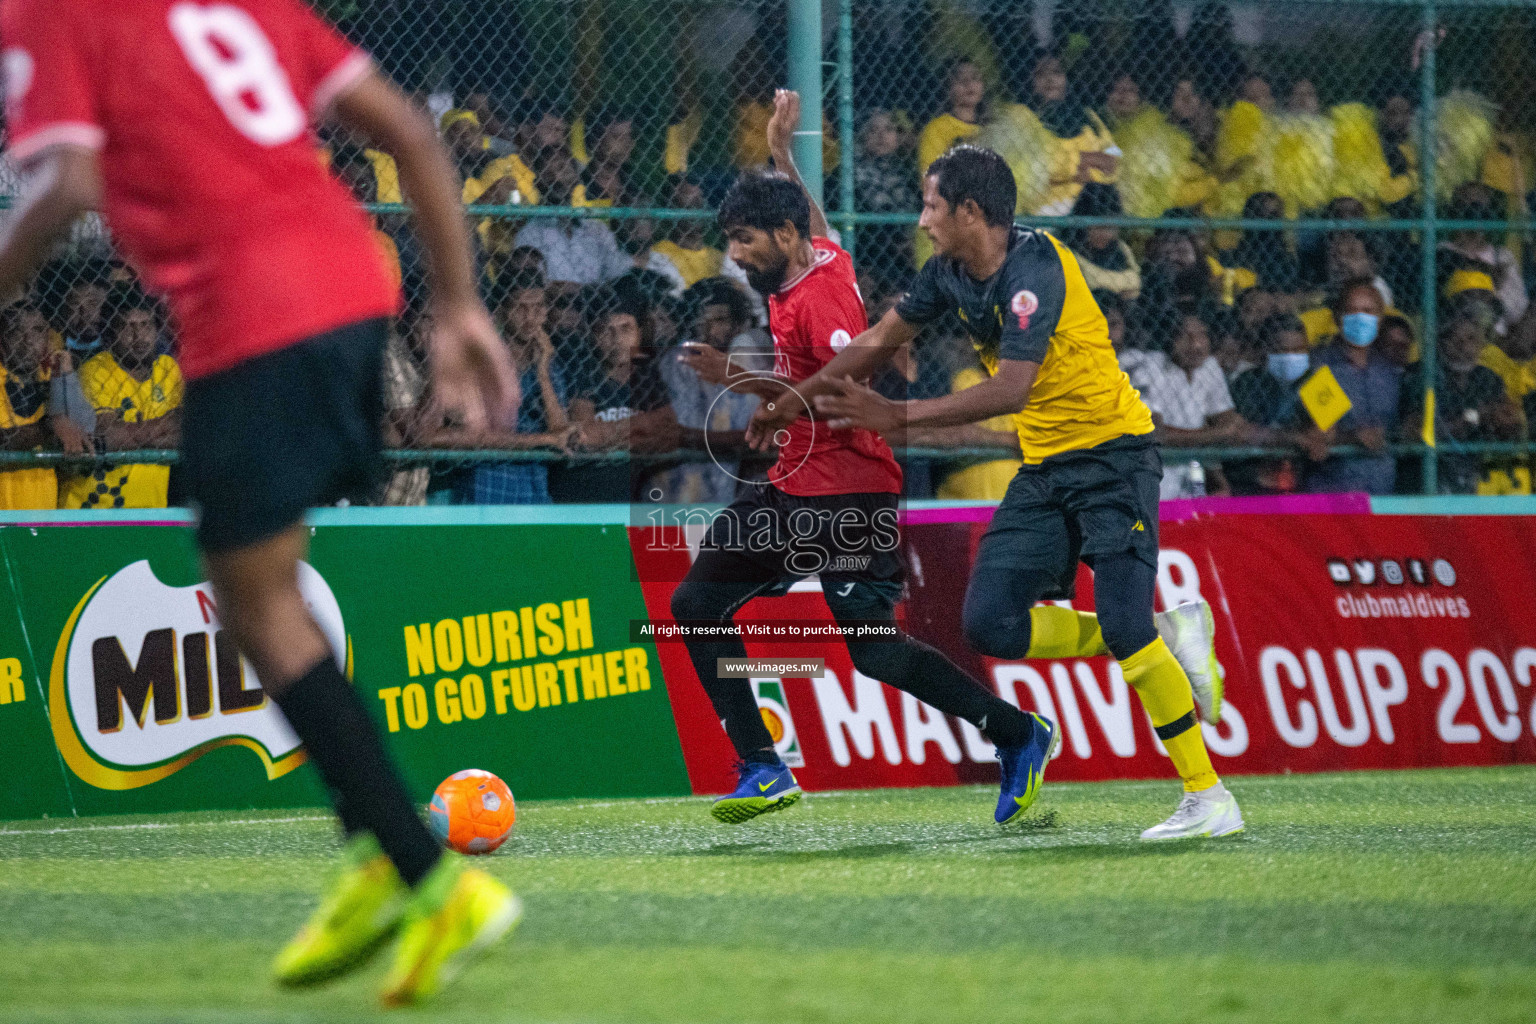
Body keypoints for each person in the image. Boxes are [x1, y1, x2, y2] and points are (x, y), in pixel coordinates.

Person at [0, 0, 521, 1003]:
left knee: (259, 605)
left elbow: (64, 182)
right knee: (258, 594)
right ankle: (388, 854)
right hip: (348, 294)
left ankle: (418, 872)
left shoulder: (51, 13)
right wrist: (456, 302)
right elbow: (411, 131)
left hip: (254, 317)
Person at [762, 143, 1242, 840]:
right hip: (1046, 468)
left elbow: (1010, 387)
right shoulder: (948, 273)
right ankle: (1169, 635)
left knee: (1125, 626)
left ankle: (1209, 797)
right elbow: (875, 341)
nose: (922, 219)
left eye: (932, 205)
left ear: (970, 212)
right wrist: (790, 403)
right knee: (991, 625)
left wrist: (896, 418)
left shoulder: (1035, 268)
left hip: (1114, 458)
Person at [674, 92, 1054, 829]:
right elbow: (815, 225)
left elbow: (849, 391)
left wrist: (741, 381)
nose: (736, 254)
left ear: (781, 236)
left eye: (747, 238)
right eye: (733, 240)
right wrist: (783, 156)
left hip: (848, 494)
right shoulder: (811, 256)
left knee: (875, 652)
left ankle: (1016, 735)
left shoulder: (822, 303)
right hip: (790, 487)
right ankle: (762, 765)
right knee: (694, 605)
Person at [446, 274, 574, 504]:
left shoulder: (550, 367)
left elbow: (560, 430)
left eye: (537, 308)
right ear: (503, 312)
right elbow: (479, 435)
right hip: (486, 485)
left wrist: (542, 372)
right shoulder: (483, 365)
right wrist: (543, 439)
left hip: (533, 487)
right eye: (520, 308)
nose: (530, 317)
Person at [59, 293, 182, 508]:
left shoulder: (168, 369)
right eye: (127, 327)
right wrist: (161, 429)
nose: (139, 336)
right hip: (93, 510)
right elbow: (105, 437)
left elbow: (185, 429)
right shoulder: (96, 370)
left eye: (145, 325)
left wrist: (131, 432)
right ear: (110, 335)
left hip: (150, 510)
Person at [1400, 293, 1523, 493]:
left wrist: (1506, 421)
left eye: (1471, 339)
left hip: (1475, 481)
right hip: (1427, 483)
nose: (1465, 348)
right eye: (1455, 339)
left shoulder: (1488, 379)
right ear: (1440, 343)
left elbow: (1512, 427)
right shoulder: (1420, 375)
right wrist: (1473, 417)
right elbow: (1413, 434)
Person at [1304, 278, 1401, 494]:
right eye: (1352, 310)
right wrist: (1354, 437)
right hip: (1332, 492)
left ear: (1381, 319)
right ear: (1338, 317)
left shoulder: (1388, 370)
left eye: (1368, 311)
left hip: (1382, 493)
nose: (1360, 317)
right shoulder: (1318, 366)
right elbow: (1321, 432)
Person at [1135, 312, 1245, 499]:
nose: (1196, 344)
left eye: (1202, 335)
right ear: (1167, 337)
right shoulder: (1147, 365)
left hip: (1195, 480)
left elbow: (1232, 423)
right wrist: (1217, 433)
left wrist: (1218, 481)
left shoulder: (1209, 366)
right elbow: (1153, 432)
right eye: (1185, 336)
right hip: (1153, 483)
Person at [0, 302, 77, 508]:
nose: (27, 341)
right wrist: (52, 426)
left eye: (36, 331)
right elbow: (5, 439)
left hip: (44, 513)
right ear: (2, 340)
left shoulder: (50, 378)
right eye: (16, 333)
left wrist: (66, 380)